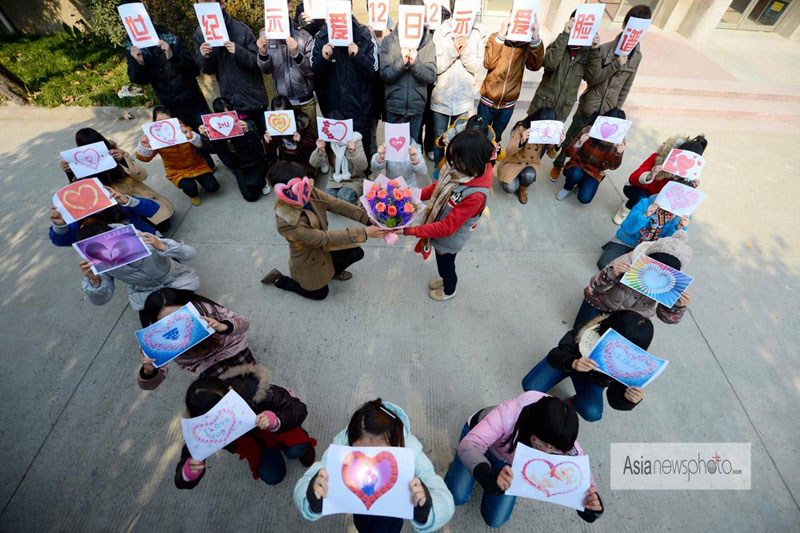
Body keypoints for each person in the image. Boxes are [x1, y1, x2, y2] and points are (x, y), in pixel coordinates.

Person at [444, 393, 603, 528]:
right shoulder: (508, 414)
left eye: (554, 449)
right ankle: (464, 468)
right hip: (483, 446)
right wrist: (489, 476)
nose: (547, 452)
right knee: (456, 495)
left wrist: (591, 501)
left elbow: (581, 470)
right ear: (531, 427)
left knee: (496, 520)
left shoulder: (563, 439)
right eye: (541, 443)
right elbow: (470, 445)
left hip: (511, 463)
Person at [294, 399, 455, 532]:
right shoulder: (341, 446)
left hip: (391, 518)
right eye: (362, 452)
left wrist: (426, 509)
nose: (372, 462)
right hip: (359, 508)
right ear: (350, 443)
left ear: (396, 443)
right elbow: (316, 473)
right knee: (362, 525)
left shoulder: (410, 449)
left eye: (381, 453)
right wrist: (312, 499)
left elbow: (443, 498)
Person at [175, 364, 317, 489]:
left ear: (229, 389)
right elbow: (187, 463)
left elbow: (298, 408)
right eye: (213, 421)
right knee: (273, 477)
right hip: (251, 444)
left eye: (226, 408)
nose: (223, 419)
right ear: (200, 421)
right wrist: (187, 473)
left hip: (274, 427)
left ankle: (304, 447)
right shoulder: (199, 429)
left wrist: (277, 420)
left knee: (296, 449)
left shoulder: (251, 387)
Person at [260, 162, 389, 300]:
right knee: (320, 294)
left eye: (304, 187)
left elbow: (335, 204)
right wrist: (365, 233)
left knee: (356, 253)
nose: (303, 193)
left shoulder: (307, 190)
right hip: (309, 257)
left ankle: (333, 272)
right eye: (297, 189)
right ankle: (280, 280)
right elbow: (323, 239)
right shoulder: (286, 222)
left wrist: (368, 218)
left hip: (325, 246)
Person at [551, 4, 651, 180]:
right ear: (624, 26)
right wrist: (615, 63)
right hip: (590, 104)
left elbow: (626, 86)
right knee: (574, 135)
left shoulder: (637, 57)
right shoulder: (603, 49)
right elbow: (593, 78)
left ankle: (578, 168)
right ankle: (558, 163)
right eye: (631, 27)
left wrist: (616, 111)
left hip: (608, 110)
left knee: (595, 143)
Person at [400, 129, 494, 301]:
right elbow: (436, 187)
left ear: (472, 161)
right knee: (442, 263)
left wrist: (410, 230)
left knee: (446, 265)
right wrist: (411, 195)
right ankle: (444, 279)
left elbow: (448, 227)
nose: (452, 163)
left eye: (457, 160)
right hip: (438, 227)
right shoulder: (459, 172)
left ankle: (449, 290)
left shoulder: (476, 194)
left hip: (449, 238)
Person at [521, 311, 652, 422]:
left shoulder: (631, 363)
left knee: (593, 413)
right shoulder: (589, 331)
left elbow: (613, 397)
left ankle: (574, 402)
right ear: (606, 327)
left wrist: (627, 399)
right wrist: (573, 362)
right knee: (531, 386)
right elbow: (555, 355)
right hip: (568, 363)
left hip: (593, 380)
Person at [76, 223, 199, 326]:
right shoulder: (99, 264)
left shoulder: (142, 240)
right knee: (155, 328)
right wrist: (95, 281)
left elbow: (190, 253)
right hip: (145, 292)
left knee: (193, 317)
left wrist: (163, 246)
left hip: (175, 279)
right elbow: (101, 300)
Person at [137, 288, 257, 389]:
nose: (176, 323)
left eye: (179, 315)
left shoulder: (205, 309)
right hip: (203, 365)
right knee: (225, 392)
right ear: (156, 323)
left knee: (253, 380)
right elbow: (149, 385)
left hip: (232, 348)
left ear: (188, 306)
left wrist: (224, 326)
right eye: (167, 321)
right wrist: (149, 372)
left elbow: (244, 323)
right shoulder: (157, 337)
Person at [58, 128, 173, 232]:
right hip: (118, 206)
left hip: (140, 196)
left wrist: (123, 160)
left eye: (96, 145)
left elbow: (142, 176)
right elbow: (82, 192)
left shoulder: (116, 153)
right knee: (140, 230)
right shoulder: (81, 163)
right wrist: (70, 172)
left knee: (163, 225)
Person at [121, 1, 209, 129]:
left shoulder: (168, 37)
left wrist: (171, 55)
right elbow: (139, 80)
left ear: (148, 16)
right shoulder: (132, 47)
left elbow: (194, 69)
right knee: (187, 146)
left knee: (211, 138)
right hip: (172, 108)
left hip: (195, 103)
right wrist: (139, 63)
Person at [575, 235, 693, 330]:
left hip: (632, 316)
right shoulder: (628, 261)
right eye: (654, 266)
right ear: (649, 257)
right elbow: (596, 286)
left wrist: (676, 306)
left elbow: (667, 319)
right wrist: (611, 273)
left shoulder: (674, 283)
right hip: (602, 302)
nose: (657, 274)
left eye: (665, 271)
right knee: (580, 331)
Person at [193, 0, 269, 134]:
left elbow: (256, 62)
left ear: (221, 4)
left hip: (254, 97)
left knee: (268, 137)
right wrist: (204, 56)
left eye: (209, 3)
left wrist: (238, 51)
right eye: (202, 4)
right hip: (231, 101)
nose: (206, 7)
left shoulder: (240, 28)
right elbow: (207, 70)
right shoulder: (200, 34)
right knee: (247, 143)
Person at [310, 8, 378, 156]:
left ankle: (365, 173)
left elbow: (373, 71)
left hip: (360, 107)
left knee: (360, 153)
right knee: (338, 154)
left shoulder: (364, 35)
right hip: (333, 109)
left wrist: (358, 55)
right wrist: (324, 57)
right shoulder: (322, 37)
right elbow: (315, 72)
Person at [430, 4, 486, 168]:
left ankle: (453, 170)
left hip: (463, 98)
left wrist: (465, 50)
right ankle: (437, 171)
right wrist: (453, 50)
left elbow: (477, 67)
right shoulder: (441, 31)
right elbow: (436, 66)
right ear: (453, 9)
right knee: (439, 137)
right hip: (441, 96)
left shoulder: (479, 31)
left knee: (458, 138)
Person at [612, 135, 708, 224]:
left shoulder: (689, 175)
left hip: (658, 199)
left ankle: (642, 213)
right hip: (637, 189)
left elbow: (677, 200)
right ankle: (626, 208)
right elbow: (633, 178)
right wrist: (651, 174)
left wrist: (690, 187)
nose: (683, 164)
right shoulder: (658, 158)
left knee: (655, 212)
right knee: (641, 198)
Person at [527, 12, 600, 126]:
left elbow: (593, 78)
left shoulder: (588, 53)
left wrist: (595, 50)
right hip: (541, 107)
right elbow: (549, 64)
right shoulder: (559, 43)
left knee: (550, 144)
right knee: (528, 141)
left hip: (561, 112)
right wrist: (565, 34)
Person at [477, 15, 544, 141]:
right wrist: (502, 34)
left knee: (496, 139)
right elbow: (488, 63)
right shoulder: (496, 37)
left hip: (508, 104)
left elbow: (535, 66)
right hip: (487, 101)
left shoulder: (527, 44)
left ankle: (490, 160)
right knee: (479, 136)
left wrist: (535, 37)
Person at [136, 106, 219, 205]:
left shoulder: (184, 129)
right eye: (159, 121)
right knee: (190, 187)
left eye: (166, 120)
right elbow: (144, 158)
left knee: (213, 187)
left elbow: (202, 146)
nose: (163, 123)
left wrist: (191, 136)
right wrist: (145, 146)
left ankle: (203, 181)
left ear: (172, 119)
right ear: (154, 122)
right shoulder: (154, 138)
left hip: (197, 166)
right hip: (176, 172)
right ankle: (193, 195)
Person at [379, 0, 437, 141]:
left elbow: (430, 76)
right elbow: (385, 74)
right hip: (394, 106)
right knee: (393, 152)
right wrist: (402, 62)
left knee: (412, 153)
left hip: (416, 107)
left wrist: (415, 63)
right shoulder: (389, 41)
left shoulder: (427, 42)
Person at [199, 97, 271, 201]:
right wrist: (205, 136)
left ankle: (262, 180)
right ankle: (253, 180)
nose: (227, 116)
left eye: (229, 112)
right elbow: (213, 150)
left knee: (253, 183)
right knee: (251, 197)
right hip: (238, 166)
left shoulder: (245, 122)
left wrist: (248, 132)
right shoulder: (215, 128)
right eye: (223, 113)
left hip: (255, 162)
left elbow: (258, 148)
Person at [598, 194, 691, 270]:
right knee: (605, 264)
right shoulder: (646, 203)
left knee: (643, 277)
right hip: (628, 241)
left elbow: (668, 246)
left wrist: (678, 228)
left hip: (651, 248)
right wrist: (645, 215)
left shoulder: (682, 216)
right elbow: (627, 228)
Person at [555, 109, 627, 204]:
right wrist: (579, 142)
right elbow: (568, 153)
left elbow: (612, 167)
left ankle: (581, 184)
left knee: (584, 199)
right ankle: (567, 187)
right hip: (578, 164)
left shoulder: (619, 141)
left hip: (595, 171)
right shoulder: (589, 130)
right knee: (575, 174)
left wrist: (618, 153)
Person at [495, 108, 563, 204]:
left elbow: (551, 155)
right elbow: (509, 150)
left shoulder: (549, 133)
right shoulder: (522, 127)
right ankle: (513, 178)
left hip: (530, 163)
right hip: (514, 161)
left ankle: (523, 189)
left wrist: (558, 144)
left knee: (529, 175)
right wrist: (522, 140)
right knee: (510, 188)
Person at [48, 188, 159, 247]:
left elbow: (153, 209)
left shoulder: (117, 205)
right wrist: (60, 225)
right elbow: (62, 242)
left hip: (149, 240)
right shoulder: (78, 223)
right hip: (121, 255)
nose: (92, 205)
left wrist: (127, 201)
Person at [256, 19, 317, 125]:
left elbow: (311, 71)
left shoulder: (304, 35)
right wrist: (262, 53)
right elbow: (266, 70)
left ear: (289, 6)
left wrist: (296, 54)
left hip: (305, 101)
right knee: (287, 137)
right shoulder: (265, 35)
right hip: (283, 102)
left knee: (310, 138)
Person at [309, 111, 369, 204]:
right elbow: (313, 163)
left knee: (344, 197)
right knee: (328, 199)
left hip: (354, 179)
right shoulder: (327, 141)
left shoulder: (355, 139)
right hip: (334, 179)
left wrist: (353, 151)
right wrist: (319, 150)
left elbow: (363, 166)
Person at [263, 95, 317, 177]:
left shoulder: (302, 121)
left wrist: (300, 140)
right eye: (276, 113)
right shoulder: (273, 124)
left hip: (303, 158)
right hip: (286, 158)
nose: (280, 116)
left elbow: (312, 145)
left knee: (304, 178)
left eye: (282, 113)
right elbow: (271, 151)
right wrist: (268, 142)